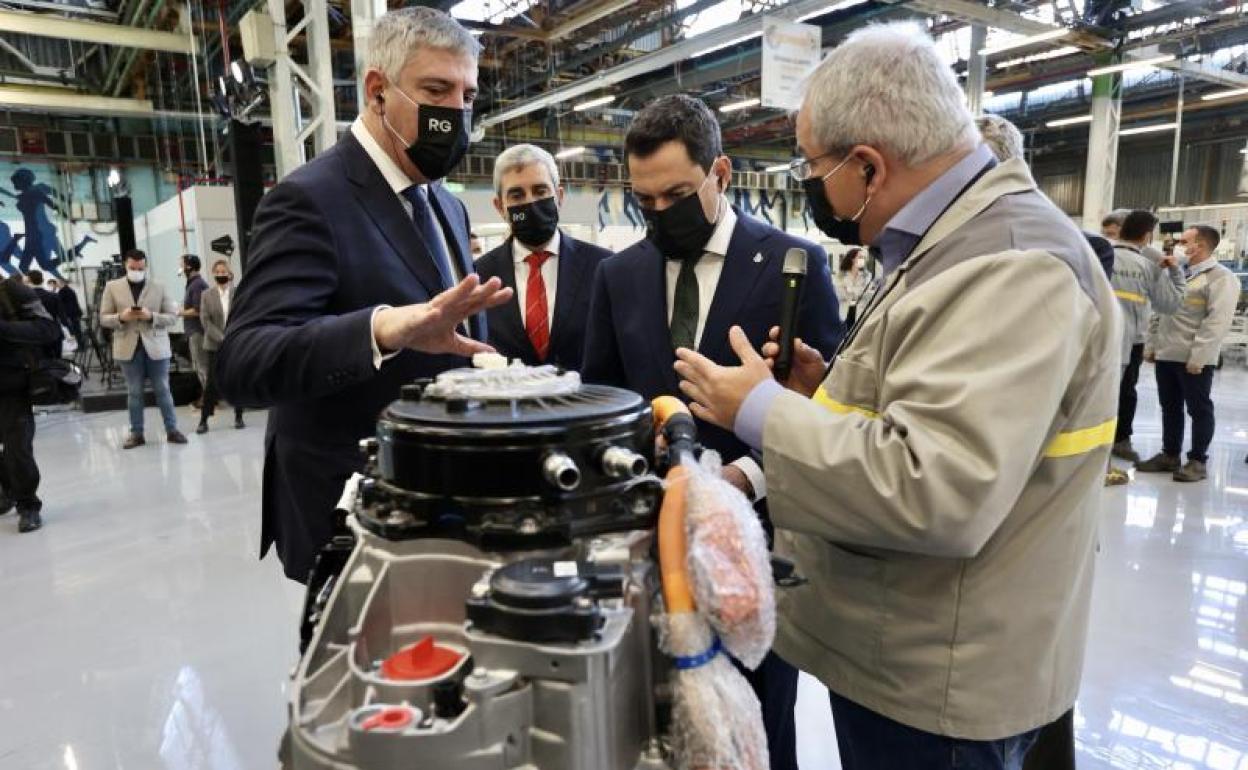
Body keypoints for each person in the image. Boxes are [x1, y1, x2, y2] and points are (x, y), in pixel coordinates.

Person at [672, 23, 1120, 770]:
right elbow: (916, 408)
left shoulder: (1012, 268)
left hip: (943, 680)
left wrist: (757, 409)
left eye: (813, 165)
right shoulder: (946, 242)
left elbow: (936, 487)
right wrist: (818, 396)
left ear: (867, 166)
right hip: (907, 651)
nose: (811, 184)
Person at [582, 93, 843, 770]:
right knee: (660, 720)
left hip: (754, 544)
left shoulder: (793, 264)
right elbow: (600, 394)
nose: (661, 215)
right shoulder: (619, 274)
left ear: (720, 174)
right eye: (646, 202)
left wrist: (743, 476)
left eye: (676, 194)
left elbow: (827, 408)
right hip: (651, 541)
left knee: (759, 726)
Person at [216, 7, 511, 583]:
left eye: (468, 95)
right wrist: (378, 330)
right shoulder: (309, 198)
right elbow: (243, 361)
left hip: (441, 500)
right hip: (351, 511)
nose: (455, 111)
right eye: (436, 89)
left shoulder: (444, 203)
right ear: (378, 91)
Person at [475, 144, 611, 370]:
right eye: (517, 195)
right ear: (500, 207)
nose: (531, 203)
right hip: (509, 402)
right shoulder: (478, 276)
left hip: (587, 402)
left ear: (559, 196)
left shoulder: (602, 267)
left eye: (540, 191)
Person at [1136, 225, 1239, 482]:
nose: (1178, 245)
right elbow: (1161, 310)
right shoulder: (1177, 273)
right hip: (1167, 353)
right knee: (1169, 407)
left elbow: (1217, 321)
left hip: (1193, 358)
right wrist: (1152, 346)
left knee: (1199, 409)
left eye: (1184, 241)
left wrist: (1199, 357)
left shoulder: (1221, 278)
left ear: (1200, 246)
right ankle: (1170, 455)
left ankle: (1197, 461)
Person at [1109, 210, 1183, 467]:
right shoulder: (1149, 266)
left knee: (1093, 393)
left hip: (1095, 338)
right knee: (1125, 392)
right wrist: (1175, 272)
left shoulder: (1098, 255)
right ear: (1147, 235)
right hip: (1131, 342)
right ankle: (1120, 441)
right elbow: (1171, 305)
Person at [99, 249, 187, 449]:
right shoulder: (112, 287)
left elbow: (172, 317)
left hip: (156, 346)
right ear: (125, 266)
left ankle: (172, 430)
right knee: (135, 392)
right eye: (132, 268)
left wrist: (152, 316)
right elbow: (103, 318)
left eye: (140, 268)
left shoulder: (159, 286)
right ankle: (136, 434)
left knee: (163, 390)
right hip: (127, 348)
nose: (137, 271)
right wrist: (121, 317)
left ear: (146, 266)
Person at [0, 274, 60, 532]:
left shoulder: (12, 290)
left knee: (17, 448)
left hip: (11, 385)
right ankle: (9, 492)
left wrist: (3, 329)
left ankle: (28, 505)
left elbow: (48, 329)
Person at [197, 260, 244, 434]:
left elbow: (243, 316)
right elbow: (205, 321)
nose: (221, 274)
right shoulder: (206, 295)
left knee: (236, 379)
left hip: (235, 343)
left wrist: (232, 336)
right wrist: (221, 337)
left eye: (224, 271)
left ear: (229, 274)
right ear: (213, 273)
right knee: (211, 383)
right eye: (218, 271)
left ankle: (239, 415)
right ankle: (204, 419)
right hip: (214, 345)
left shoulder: (238, 294)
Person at [178, 254, 210, 406]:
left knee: (202, 365)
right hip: (194, 330)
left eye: (182, 264)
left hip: (198, 331)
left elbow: (198, 310)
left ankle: (210, 398)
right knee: (200, 365)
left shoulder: (197, 285)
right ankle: (208, 395)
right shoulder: (193, 284)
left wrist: (179, 312)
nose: (181, 268)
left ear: (189, 267)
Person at [832, 247, 873, 326]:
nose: (863, 260)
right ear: (852, 259)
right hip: (844, 312)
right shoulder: (840, 276)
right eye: (860, 257)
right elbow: (839, 294)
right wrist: (857, 291)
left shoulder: (867, 276)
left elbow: (867, 294)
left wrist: (849, 289)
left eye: (864, 258)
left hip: (860, 313)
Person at [48, 277, 83, 346]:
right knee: (76, 330)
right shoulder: (67, 289)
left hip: (71, 314)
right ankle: (80, 344)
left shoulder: (64, 291)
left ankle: (81, 345)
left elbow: (57, 300)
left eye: (57, 283)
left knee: (75, 330)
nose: (56, 284)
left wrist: (53, 290)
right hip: (74, 313)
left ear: (62, 283)